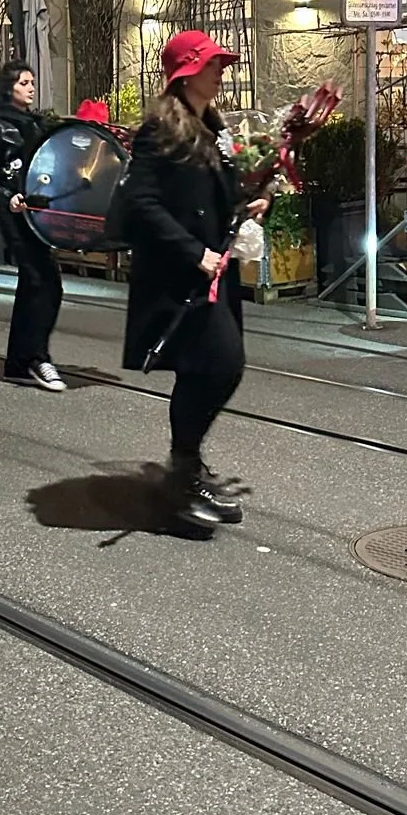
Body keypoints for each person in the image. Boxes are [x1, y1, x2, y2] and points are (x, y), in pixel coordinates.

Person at [121, 30, 269, 536]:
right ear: (186, 72)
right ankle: (183, 467)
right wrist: (192, 252)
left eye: (221, 63)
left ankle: (184, 467)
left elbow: (220, 194)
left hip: (215, 271)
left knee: (206, 369)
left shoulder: (215, 126)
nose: (221, 71)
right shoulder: (161, 129)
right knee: (222, 364)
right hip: (180, 273)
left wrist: (250, 200)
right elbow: (142, 202)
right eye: (212, 64)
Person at [0, 62, 65, 391]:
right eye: (23, 83)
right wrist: (8, 197)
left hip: (40, 213)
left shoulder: (37, 123)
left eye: (32, 82)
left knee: (37, 284)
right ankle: (37, 357)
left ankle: (18, 361)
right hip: (16, 215)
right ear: (8, 88)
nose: (30, 87)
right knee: (42, 281)